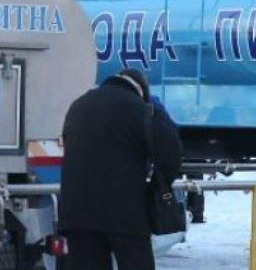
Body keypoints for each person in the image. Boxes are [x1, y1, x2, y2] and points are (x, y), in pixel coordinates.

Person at [58, 68, 182, 270]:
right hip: (125, 213)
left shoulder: (78, 105)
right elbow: (171, 151)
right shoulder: (139, 108)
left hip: (76, 212)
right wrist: (157, 187)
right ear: (140, 89)